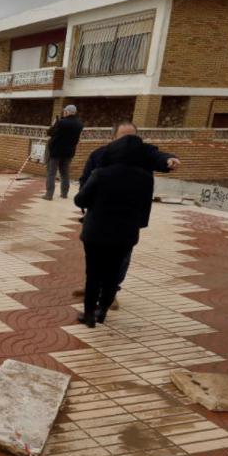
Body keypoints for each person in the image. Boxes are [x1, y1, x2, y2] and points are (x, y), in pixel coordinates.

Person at [72, 121, 181, 305]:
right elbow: (85, 181)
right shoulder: (99, 155)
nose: (128, 141)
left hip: (127, 219)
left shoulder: (143, 154)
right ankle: (93, 287)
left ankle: (111, 291)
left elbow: (158, 156)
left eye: (133, 137)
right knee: (95, 257)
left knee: (121, 259)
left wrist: (168, 160)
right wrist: (88, 199)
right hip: (100, 216)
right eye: (124, 136)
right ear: (112, 138)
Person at [73, 134, 154, 327]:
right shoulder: (145, 177)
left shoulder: (101, 173)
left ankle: (89, 315)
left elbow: (80, 200)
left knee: (93, 274)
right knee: (112, 274)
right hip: (125, 235)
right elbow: (144, 212)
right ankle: (102, 312)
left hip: (96, 233)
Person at [44, 104, 84, 200]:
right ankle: (64, 193)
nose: (63, 112)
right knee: (65, 173)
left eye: (64, 111)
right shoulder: (79, 124)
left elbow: (50, 133)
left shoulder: (61, 122)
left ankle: (49, 194)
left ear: (67, 112)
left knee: (51, 173)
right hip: (69, 152)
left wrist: (54, 124)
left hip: (55, 152)